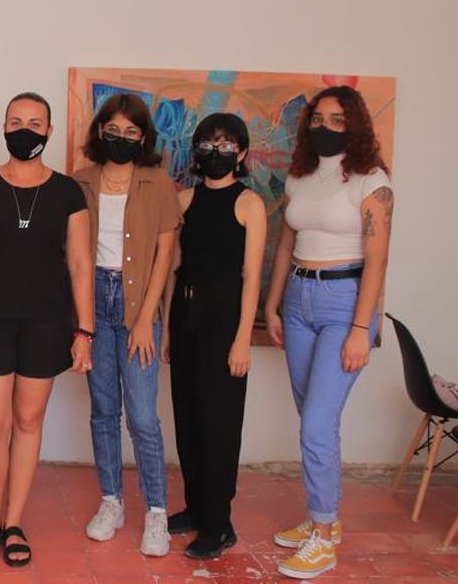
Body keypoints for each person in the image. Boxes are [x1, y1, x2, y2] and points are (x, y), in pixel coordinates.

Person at [0, 92, 94, 568]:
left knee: (29, 422)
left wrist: (85, 332)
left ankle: (14, 522)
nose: (24, 129)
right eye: (15, 122)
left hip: (46, 323)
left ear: (49, 131)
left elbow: (80, 264)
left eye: (34, 122)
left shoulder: (68, 192)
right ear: (4, 128)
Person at [263, 86, 393, 579]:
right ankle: (326, 518)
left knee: (317, 423)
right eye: (318, 118)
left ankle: (322, 537)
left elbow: (377, 260)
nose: (325, 127)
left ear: (355, 125)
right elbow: (286, 243)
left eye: (338, 119)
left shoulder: (371, 180)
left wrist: (361, 328)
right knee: (313, 417)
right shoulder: (299, 176)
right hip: (298, 298)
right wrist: (273, 304)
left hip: (345, 302)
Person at [71, 93, 179, 556]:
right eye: (113, 131)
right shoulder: (81, 182)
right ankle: (111, 501)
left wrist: (145, 320)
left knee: (142, 417)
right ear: (100, 131)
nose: (121, 138)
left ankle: (156, 511)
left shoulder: (159, 183)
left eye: (131, 132)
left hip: (138, 305)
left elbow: (164, 256)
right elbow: (73, 254)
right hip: (93, 299)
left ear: (143, 137)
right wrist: (81, 322)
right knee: (103, 410)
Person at [163, 113, 266, 559]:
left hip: (225, 322)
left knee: (218, 423)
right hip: (185, 316)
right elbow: (173, 269)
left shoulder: (249, 204)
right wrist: (167, 330)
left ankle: (219, 524)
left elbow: (252, 276)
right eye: (208, 144)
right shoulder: (184, 200)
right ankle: (195, 508)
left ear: (240, 153)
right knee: (187, 416)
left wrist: (243, 339)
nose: (216, 153)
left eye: (226, 145)